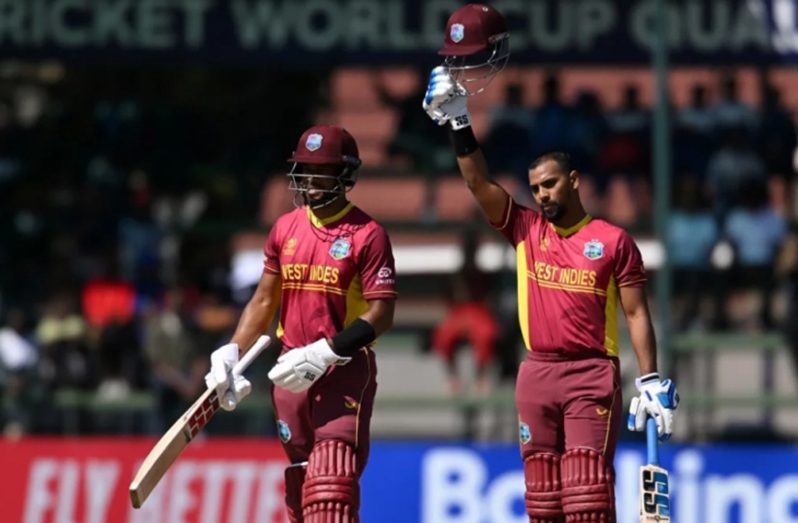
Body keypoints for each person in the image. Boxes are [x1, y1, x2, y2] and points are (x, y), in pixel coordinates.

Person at [422, 4, 679, 521]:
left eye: (551, 184)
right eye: (535, 187)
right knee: (542, 503)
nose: (541, 194)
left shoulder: (611, 240)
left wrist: (650, 378)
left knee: (586, 498)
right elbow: (478, 183)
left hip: (590, 374)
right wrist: (458, 122)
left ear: (575, 180)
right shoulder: (524, 228)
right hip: (536, 373)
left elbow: (634, 314)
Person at [204, 125, 397, 522]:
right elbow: (263, 299)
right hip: (289, 371)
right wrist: (232, 351)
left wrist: (328, 350)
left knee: (332, 487)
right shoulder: (285, 228)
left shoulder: (368, 235)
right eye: (303, 168)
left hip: (342, 369)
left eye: (318, 170)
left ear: (344, 175)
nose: (308, 179)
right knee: (302, 488)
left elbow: (381, 313)